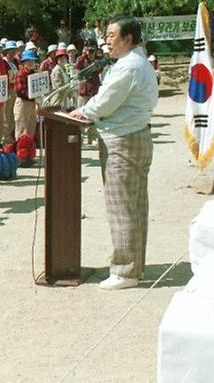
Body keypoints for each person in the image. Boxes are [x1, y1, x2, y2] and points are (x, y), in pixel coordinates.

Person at [69, 18, 158, 290]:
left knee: (122, 207)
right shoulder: (138, 63)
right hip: (134, 135)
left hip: (123, 140)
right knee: (135, 206)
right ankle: (134, 265)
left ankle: (125, 271)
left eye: (111, 35)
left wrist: (84, 111)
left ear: (128, 39)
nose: (107, 40)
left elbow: (106, 100)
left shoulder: (129, 66)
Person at [13, 49, 39, 138]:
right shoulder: (20, 74)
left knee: (31, 130)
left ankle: (29, 151)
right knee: (21, 130)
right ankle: (21, 151)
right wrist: (32, 95)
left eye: (33, 60)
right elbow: (20, 91)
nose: (31, 63)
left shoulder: (34, 74)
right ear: (24, 62)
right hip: (23, 103)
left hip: (32, 103)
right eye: (28, 61)